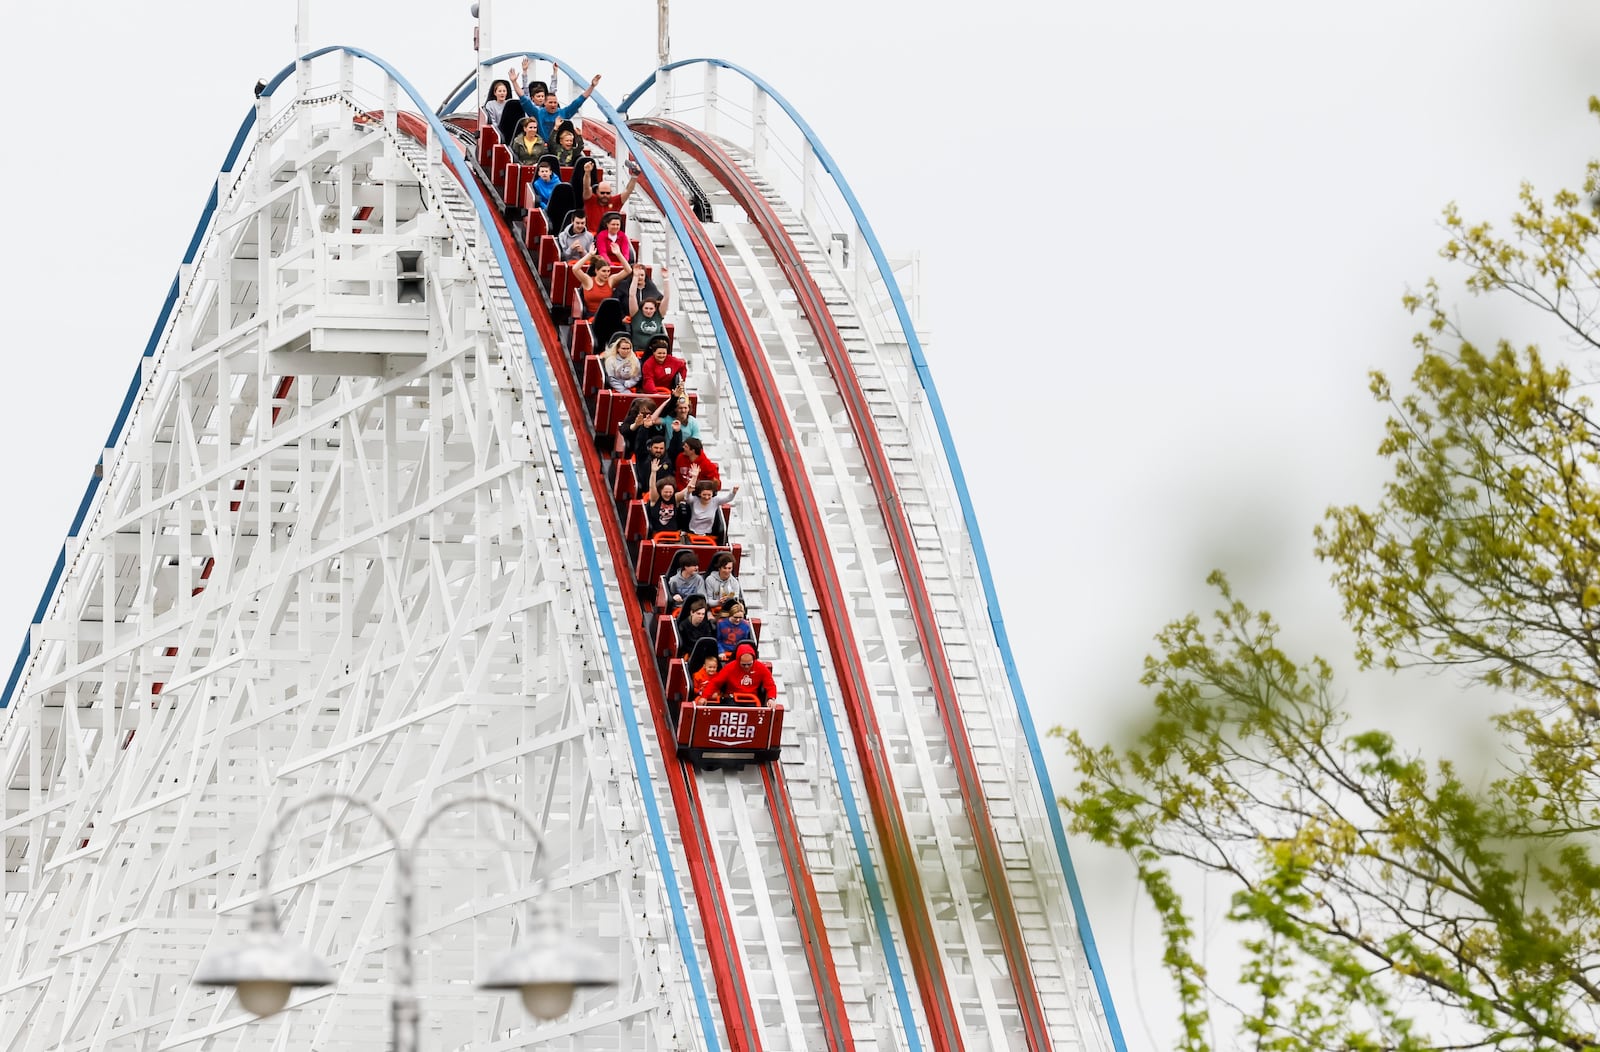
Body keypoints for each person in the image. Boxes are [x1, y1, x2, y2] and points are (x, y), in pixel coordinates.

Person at [698, 642, 776, 705]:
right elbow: (716, 683)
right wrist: (704, 696)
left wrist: (771, 698)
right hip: (731, 699)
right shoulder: (730, 667)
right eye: (743, 664)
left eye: (749, 664)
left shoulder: (761, 667)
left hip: (751, 700)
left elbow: (770, 685)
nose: (746, 667)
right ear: (738, 660)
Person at [531, 74, 601, 141]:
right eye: (550, 102)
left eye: (555, 103)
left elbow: (578, 102)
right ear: (545, 103)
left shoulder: (563, 113)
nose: (553, 105)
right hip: (542, 146)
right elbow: (525, 100)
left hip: (558, 146)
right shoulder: (538, 113)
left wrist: (592, 86)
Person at [571, 253, 630, 318]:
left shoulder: (611, 280)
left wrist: (618, 254)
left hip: (607, 315)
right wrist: (589, 255)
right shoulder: (588, 281)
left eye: (608, 271)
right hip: (591, 316)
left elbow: (628, 270)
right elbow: (575, 269)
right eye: (604, 271)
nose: (606, 274)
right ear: (596, 271)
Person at [686, 478, 738, 543]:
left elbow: (727, 499)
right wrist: (688, 492)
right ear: (699, 494)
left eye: (709, 495)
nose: (707, 497)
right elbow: (687, 499)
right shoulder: (695, 500)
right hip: (692, 533)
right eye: (704, 495)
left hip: (708, 534)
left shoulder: (715, 500)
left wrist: (733, 492)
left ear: (712, 494)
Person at [628, 269, 670, 349]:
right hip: (636, 350)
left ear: (655, 309)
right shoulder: (636, 314)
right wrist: (635, 277)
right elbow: (632, 295)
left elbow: (666, 298)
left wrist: (666, 279)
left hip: (653, 351)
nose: (648, 311)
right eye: (646, 308)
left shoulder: (658, 315)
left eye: (651, 309)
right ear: (642, 308)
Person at [676, 597, 719, 675]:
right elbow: (684, 644)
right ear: (692, 612)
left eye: (703, 614)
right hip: (690, 652)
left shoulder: (706, 625)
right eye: (698, 614)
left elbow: (709, 641)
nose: (701, 616)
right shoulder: (683, 625)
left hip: (704, 651)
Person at [633, 435, 675, 500]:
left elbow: (676, 446)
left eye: (661, 448)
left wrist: (677, 433)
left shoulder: (668, 462)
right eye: (656, 448)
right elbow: (640, 443)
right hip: (643, 493)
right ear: (650, 447)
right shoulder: (643, 458)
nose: (658, 450)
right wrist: (645, 428)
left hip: (661, 495)